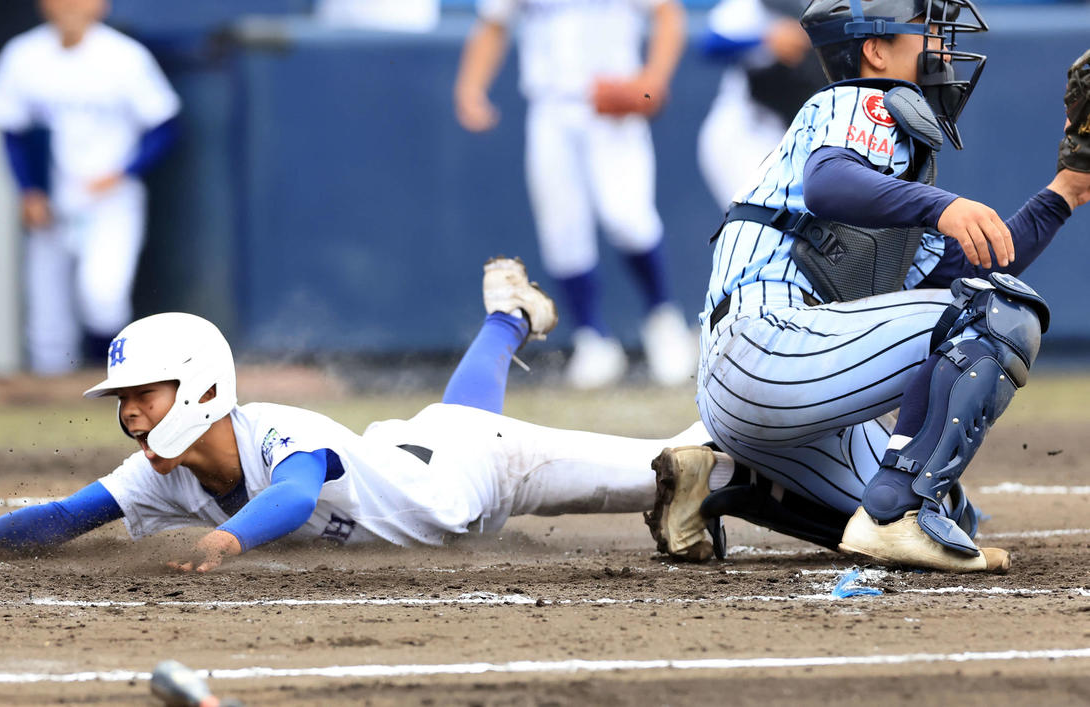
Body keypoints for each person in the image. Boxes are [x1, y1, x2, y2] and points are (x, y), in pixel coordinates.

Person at [0, 258, 713, 569]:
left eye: (144, 394)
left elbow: (294, 491)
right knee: (453, 417)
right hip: (417, 453)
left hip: (486, 469)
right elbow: (68, 515)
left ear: (200, 387)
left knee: (681, 467)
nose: (131, 415)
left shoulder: (279, 431)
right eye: (124, 401)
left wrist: (226, 540)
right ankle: (506, 318)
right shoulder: (164, 472)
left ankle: (764, 403)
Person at [647, 0, 1090, 572]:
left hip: (763, 387)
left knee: (952, 512)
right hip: (767, 341)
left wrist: (1067, 191)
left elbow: (969, 268)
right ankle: (893, 516)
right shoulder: (860, 99)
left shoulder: (890, 155)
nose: (944, 46)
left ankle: (724, 482)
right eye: (929, 31)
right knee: (993, 316)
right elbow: (828, 182)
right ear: (876, 50)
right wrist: (943, 206)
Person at [454, 0, 697, 389]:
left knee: (628, 218)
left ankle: (663, 320)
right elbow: (493, 24)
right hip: (550, 108)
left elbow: (668, 13)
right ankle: (592, 338)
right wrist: (471, 88)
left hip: (612, 106)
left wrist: (653, 78)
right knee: (562, 232)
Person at [0, 0, 180, 375]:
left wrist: (125, 171)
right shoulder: (23, 55)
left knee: (102, 297)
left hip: (109, 200)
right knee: (47, 321)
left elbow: (165, 125)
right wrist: (28, 189)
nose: (70, 6)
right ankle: (48, 404)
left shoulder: (125, 56)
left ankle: (111, 383)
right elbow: (11, 130)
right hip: (52, 203)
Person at [696, 0, 827, 208]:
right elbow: (711, 43)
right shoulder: (755, 6)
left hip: (797, 134)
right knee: (753, 213)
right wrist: (765, 39)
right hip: (744, 131)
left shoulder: (836, 6)